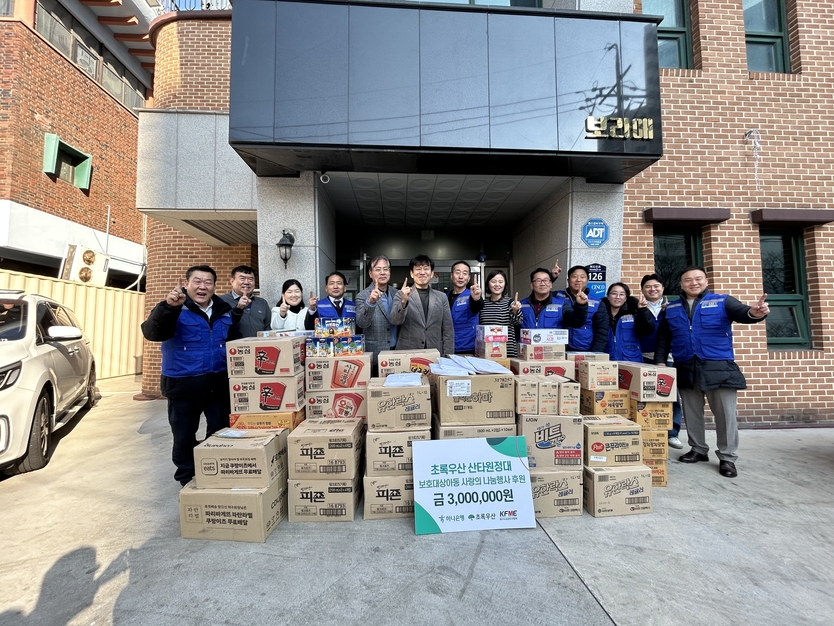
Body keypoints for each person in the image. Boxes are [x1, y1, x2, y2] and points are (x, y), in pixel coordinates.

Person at [654, 265, 769, 478]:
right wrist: (660, 362)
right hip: (686, 366)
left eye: (698, 278)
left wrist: (754, 313)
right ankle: (698, 449)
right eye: (688, 280)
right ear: (681, 284)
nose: (693, 283)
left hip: (718, 367)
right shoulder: (671, 308)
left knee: (725, 415)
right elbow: (663, 338)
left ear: (706, 281)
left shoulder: (723, 301)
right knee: (692, 412)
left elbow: (743, 313)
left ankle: (727, 457)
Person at [141, 265, 242, 486]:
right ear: (186, 284)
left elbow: (235, 342)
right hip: (183, 385)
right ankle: (186, 477)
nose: (202, 286)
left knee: (219, 431)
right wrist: (169, 307)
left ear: (214, 286)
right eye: (197, 281)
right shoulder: (174, 308)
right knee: (184, 435)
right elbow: (152, 333)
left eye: (208, 282)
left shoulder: (224, 310)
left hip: (217, 384)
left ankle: (214, 472)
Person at [639, 273, 684, 450]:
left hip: (668, 357)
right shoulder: (637, 306)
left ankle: (672, 433)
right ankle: (648, 431)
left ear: (663, 288)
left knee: (671, 396)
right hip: (643, 356)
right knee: (645, 395)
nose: (652, 289)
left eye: (656, 286)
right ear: (642, 290)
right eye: (648, 287)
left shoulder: (673, 307)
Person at [393, 254, 454, 355]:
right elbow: (395, 321)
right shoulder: (401, 294)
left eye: (426, 269)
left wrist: (448, 356)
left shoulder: (442, 297)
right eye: (418, 269)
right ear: (411, 273)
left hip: (435, 351)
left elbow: (448, 329)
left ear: (432, 273)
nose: (422, 272)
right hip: (408, 352)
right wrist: (403, 302)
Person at [355, 255, 404, 375]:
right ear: (370, 273)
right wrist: (370, 302)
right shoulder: (362, 295)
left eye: (385, 269)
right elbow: (361, 323)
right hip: (375, 354)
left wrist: (404, 302)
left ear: (389, 272)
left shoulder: (397, 293)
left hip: (397, 352)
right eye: (378, 269)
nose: (382, 272)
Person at [555, 265, 608, 352]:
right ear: (568, 280)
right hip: (559, 349)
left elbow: (601, 332)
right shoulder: (556, 297)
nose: (578, 280)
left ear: (587, 280)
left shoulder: (597, 303)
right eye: (574, 276)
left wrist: (594, 354)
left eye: (582, 277)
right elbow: (541, 292)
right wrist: (552, 277)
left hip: (585, 350)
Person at [520, 264, 588, 331]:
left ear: (551, 284)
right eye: (538, 281)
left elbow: (576, 322)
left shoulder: (561, 305)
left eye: (546, 280)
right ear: (531, 285)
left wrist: (581, 305)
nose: (542, 284)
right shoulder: (521, 305)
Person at [600, 282, 655, 362]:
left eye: (622, 294)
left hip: (631, 360)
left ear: (626, 298)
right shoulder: (600, 314)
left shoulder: (633, 312)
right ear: (608, 296)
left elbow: (647, 330)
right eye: (614, 293)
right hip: (607, 360)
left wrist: (642, 310)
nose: (618, 297)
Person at [478, 269, 522, 358]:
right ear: (488, 284)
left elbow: (518, 322)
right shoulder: (482, 303)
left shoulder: (510, 302)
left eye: (501, 282)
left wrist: (515, 311)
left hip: (507, 352)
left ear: (505, 284)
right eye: (493, 281)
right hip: (487, 352)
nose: (497, 284)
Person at [219, 265, 271, 337]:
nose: (246, 282)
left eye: (250, 279)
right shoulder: (221, 301)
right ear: (232, 281)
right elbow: (220, 327)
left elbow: (268, 326)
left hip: (260, 343)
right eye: (242, 278)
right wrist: (238, 308)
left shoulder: (262, 302)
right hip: (234, 343)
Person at [447, 261, 484, 354]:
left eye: (465, 273)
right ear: (451, 276)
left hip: (468, 349)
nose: (461, 276)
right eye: (457, 272)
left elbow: (478, 305)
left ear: (468, 278)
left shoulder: (471, 296)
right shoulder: (444, 297)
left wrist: (476, 299)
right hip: (447, 347)